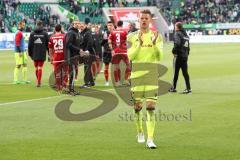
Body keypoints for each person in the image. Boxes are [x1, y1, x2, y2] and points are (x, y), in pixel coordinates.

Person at [127, 9, 163, 149]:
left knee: (150, 106)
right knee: (137, 107)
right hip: (136, 76)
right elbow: (131, 56)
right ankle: (140, 131)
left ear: (150, 20)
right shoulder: (131, 36)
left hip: (151, 76)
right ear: (138, 19)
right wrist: (140, 44)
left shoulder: (157, 36)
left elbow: (159, 56)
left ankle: (150, 139)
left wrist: (153, 44)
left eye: (146, 18)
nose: (143, 20)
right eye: (141, 18)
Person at [169, 22, 192, 94]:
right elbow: (188, 47)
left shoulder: (177, 33)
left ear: (177, 27)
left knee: (175, 72)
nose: (174, 28)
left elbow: (177, 44)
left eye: (175, 26)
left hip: (178, 56)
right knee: (185, 73)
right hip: (185, 56)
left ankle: (173, 88)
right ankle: (188, 89)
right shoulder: (185, 35)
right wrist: (186, 54)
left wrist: (174, 52)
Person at [109, 20, 130, 86]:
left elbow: (109, 42)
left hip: (116, 51)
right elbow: (128, 41)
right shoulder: (125, 31)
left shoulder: (112, 32)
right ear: (122, 24)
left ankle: (117, 82)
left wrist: (112, 50)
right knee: (128, 65)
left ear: (116, 24)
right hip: (124, 51)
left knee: (116, 66)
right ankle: (125, 80)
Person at [28, 20, 49, 87]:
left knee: (36, 68)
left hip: (34, 53)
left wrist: (29, 53)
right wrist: (49, 53)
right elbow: (48, 44)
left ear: (36, 24)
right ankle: (39, 82)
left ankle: (38, 81)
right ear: (41, 24)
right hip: (42, 53)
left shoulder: (32, 33)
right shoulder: (45, 33)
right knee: (40, 67)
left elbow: (30, 45)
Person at [64, 20, 81, 95]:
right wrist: (78, 49)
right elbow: (68, 44)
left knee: (73, 73)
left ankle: (71, 89)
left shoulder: (77, 32)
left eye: (78, 23)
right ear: (73, 24)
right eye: (76, 23)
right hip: (71, 55)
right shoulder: (71, 33)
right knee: (72, 72)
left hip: (75, 55)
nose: (77, 25)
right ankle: (71, 89)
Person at [48, 24, 68, 91]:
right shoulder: (65, 36)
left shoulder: (51, 37)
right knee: (65, 71)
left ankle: (58, 85)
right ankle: (64, 85)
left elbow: (50, 49)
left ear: (55, 29)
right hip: (64, 57)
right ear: (61, 29)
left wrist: (51, 57)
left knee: (57, 72)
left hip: (56, 58)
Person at [80, 21, 95, 88]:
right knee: (87, 67)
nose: (81, 26)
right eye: (80, 25)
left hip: (88, 53)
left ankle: (87, 83)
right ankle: (91, 82)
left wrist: (86, 50)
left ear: (85, 25)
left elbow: (90, 42)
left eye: (82, 25)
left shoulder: (88, 33)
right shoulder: (82, 33)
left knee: (86, 68)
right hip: (84, 53)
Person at [101, 21, 114, 86]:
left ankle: (117, 81)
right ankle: (106, 81)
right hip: (106, 52)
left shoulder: (115, 33)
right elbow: (101, 44)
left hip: (114, 52)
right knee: (106, 68)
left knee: (116, 67)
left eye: (111, 25)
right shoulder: (105, 33)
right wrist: (104, 39)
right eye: (108, 25)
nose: (109, 26)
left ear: (113, 26)